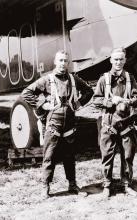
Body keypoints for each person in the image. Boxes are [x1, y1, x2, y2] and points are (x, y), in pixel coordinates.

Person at [21, 50, 93, 198]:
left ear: (68, 63)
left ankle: (72, 185)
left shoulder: (74, 79)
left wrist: (79, 103)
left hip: (70, 124)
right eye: (60, 60)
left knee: (69, 156)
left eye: (65, 61)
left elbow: (89, 91)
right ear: (55, 62)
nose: (63, 63)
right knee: (49, 156)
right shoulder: (47, 80)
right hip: (53, 123)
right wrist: (42, 104)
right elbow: (27, 93)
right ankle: (45, 187)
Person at [93, 47, 137, 198]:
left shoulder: (130, 78)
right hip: (109, 124)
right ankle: (107, 185)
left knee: (128, 155)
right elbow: (96, 100)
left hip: (126, 124)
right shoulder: (104, 79)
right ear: (110, 60)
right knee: (107, 155)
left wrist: (128, 101)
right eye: (115, 59)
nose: (118, 62)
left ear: (125, 60)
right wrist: (110, 102)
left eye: (121, 59)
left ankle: (126, 185)